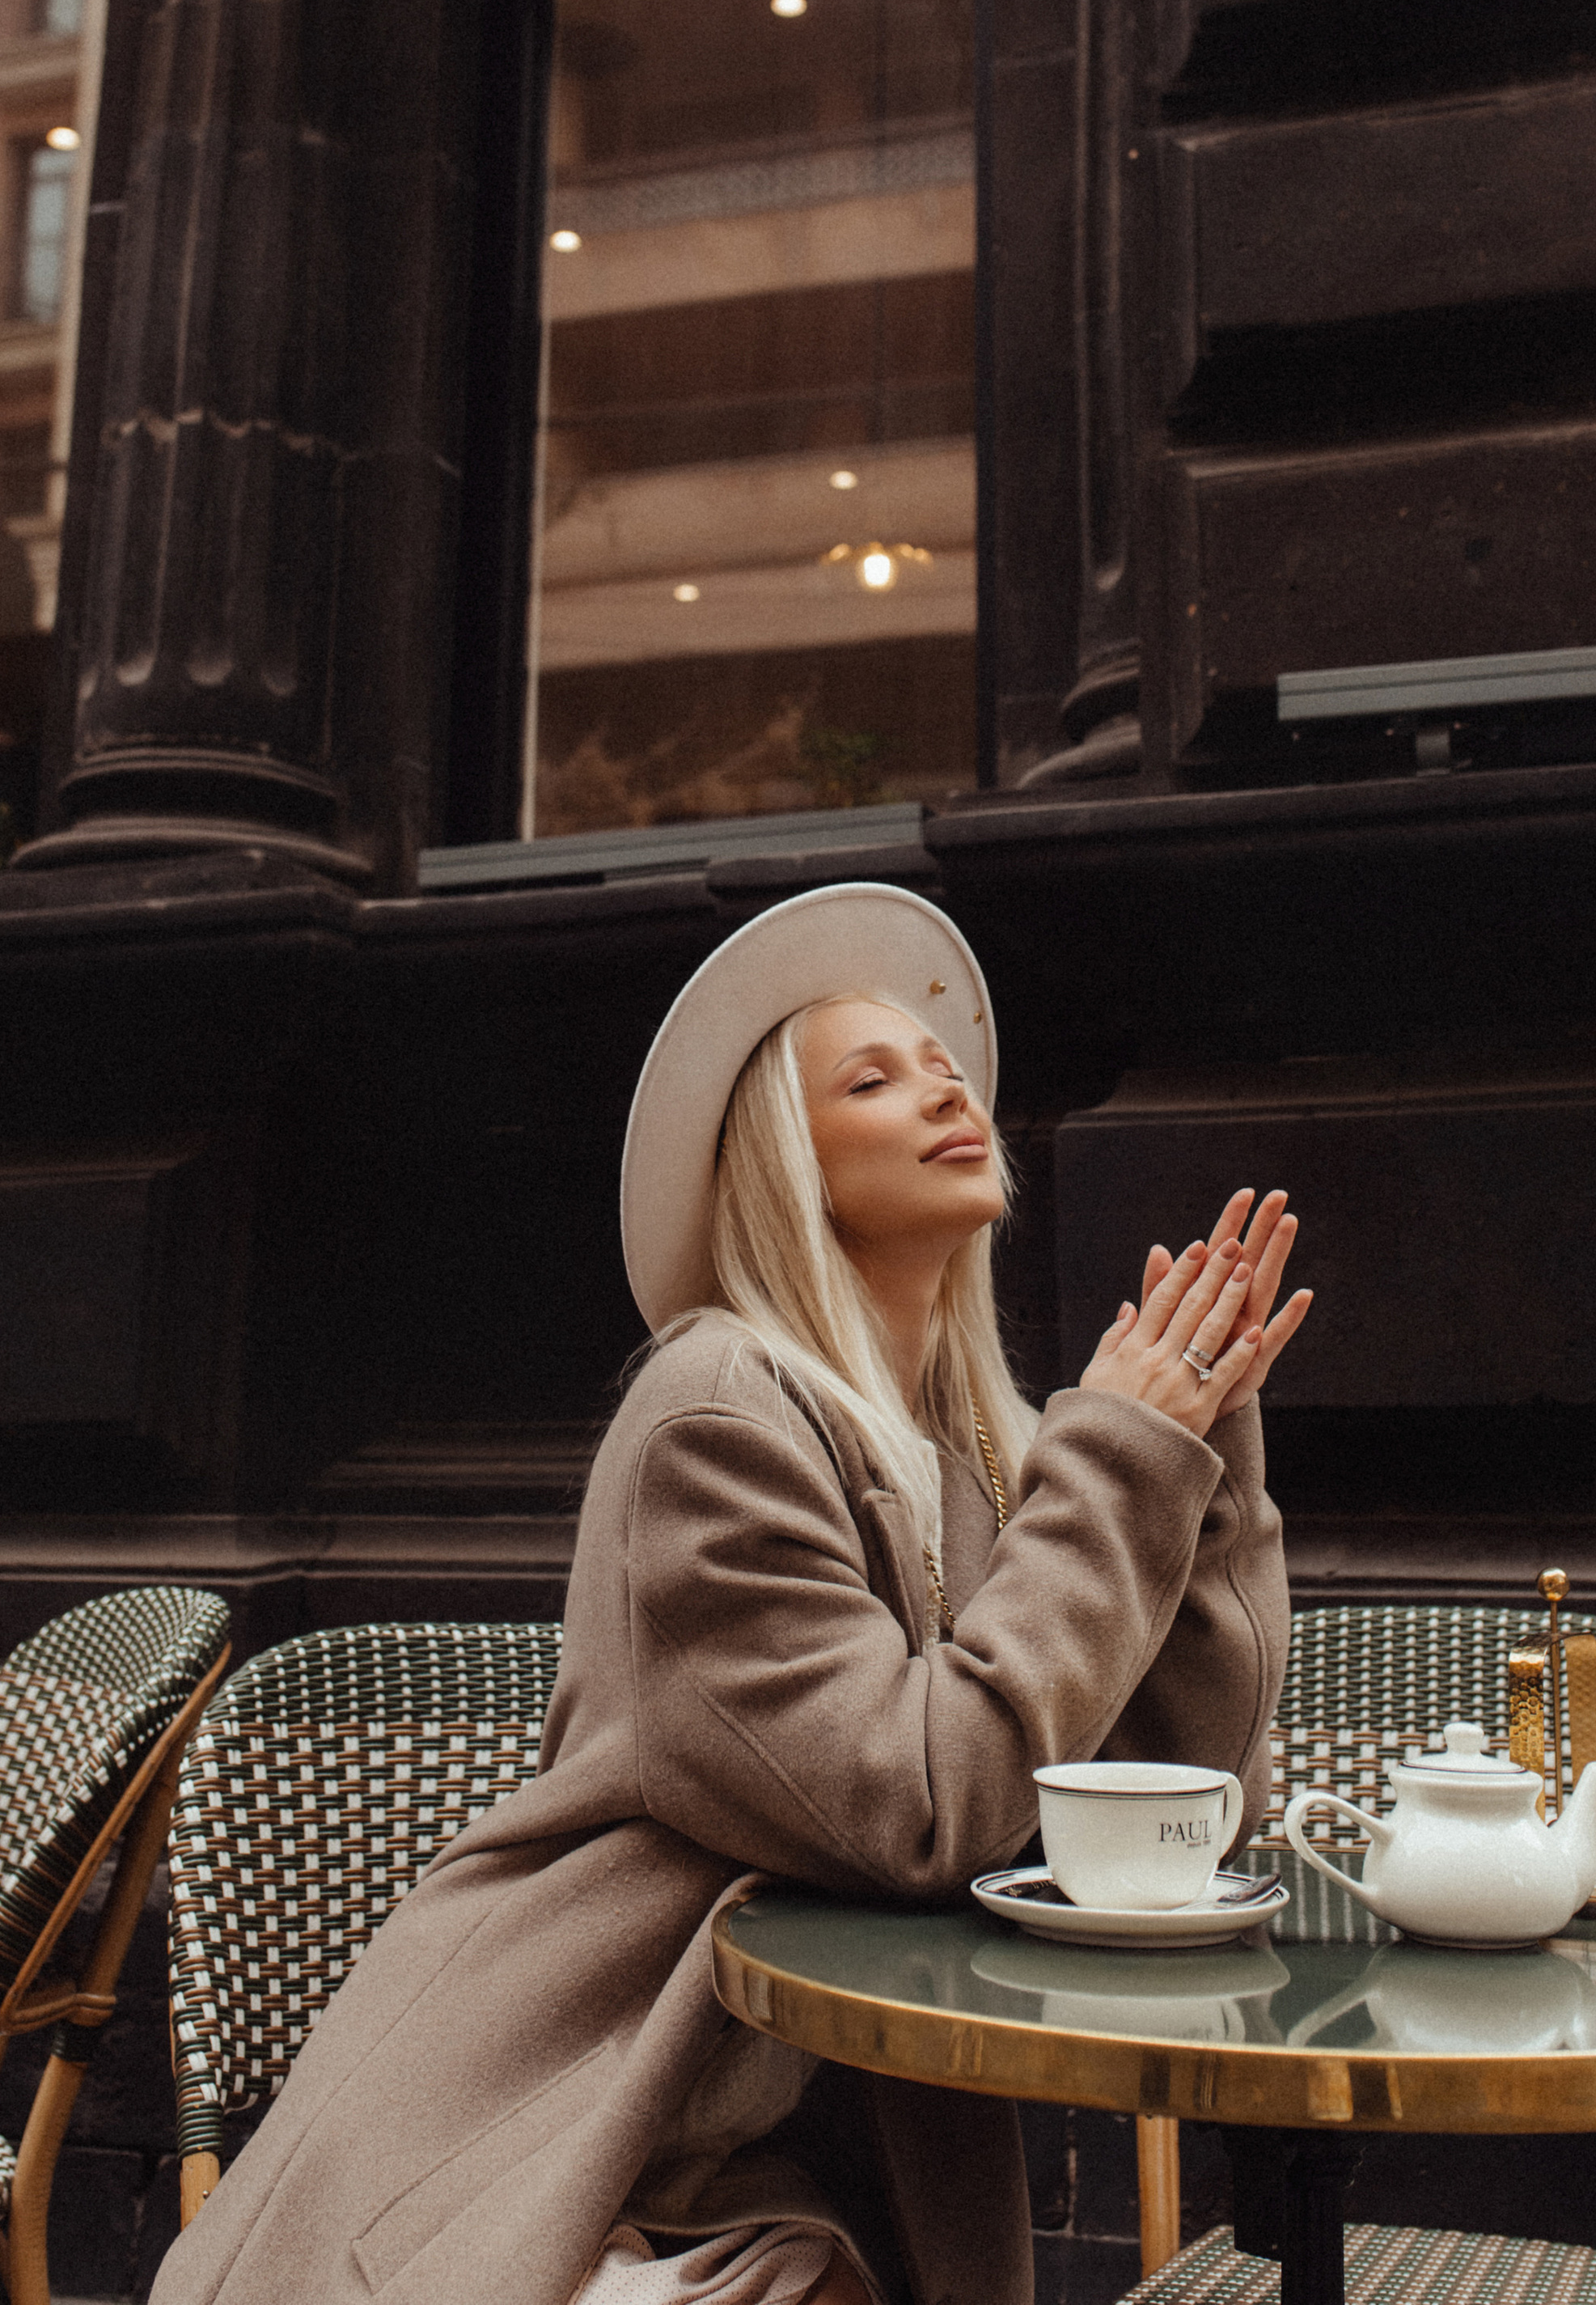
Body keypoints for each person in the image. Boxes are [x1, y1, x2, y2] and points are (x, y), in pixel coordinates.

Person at [153, 883, 1310, 2305]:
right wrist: (1125, 1463)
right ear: (791, 1166)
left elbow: (1177, 1798)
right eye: (873, 1078)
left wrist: (1199, 1456)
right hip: (571, 2150)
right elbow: (923, 1804)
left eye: (943, 1066)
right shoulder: (717, 1417)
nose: (947, 1084)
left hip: (779, 2157)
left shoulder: (983, 1461)